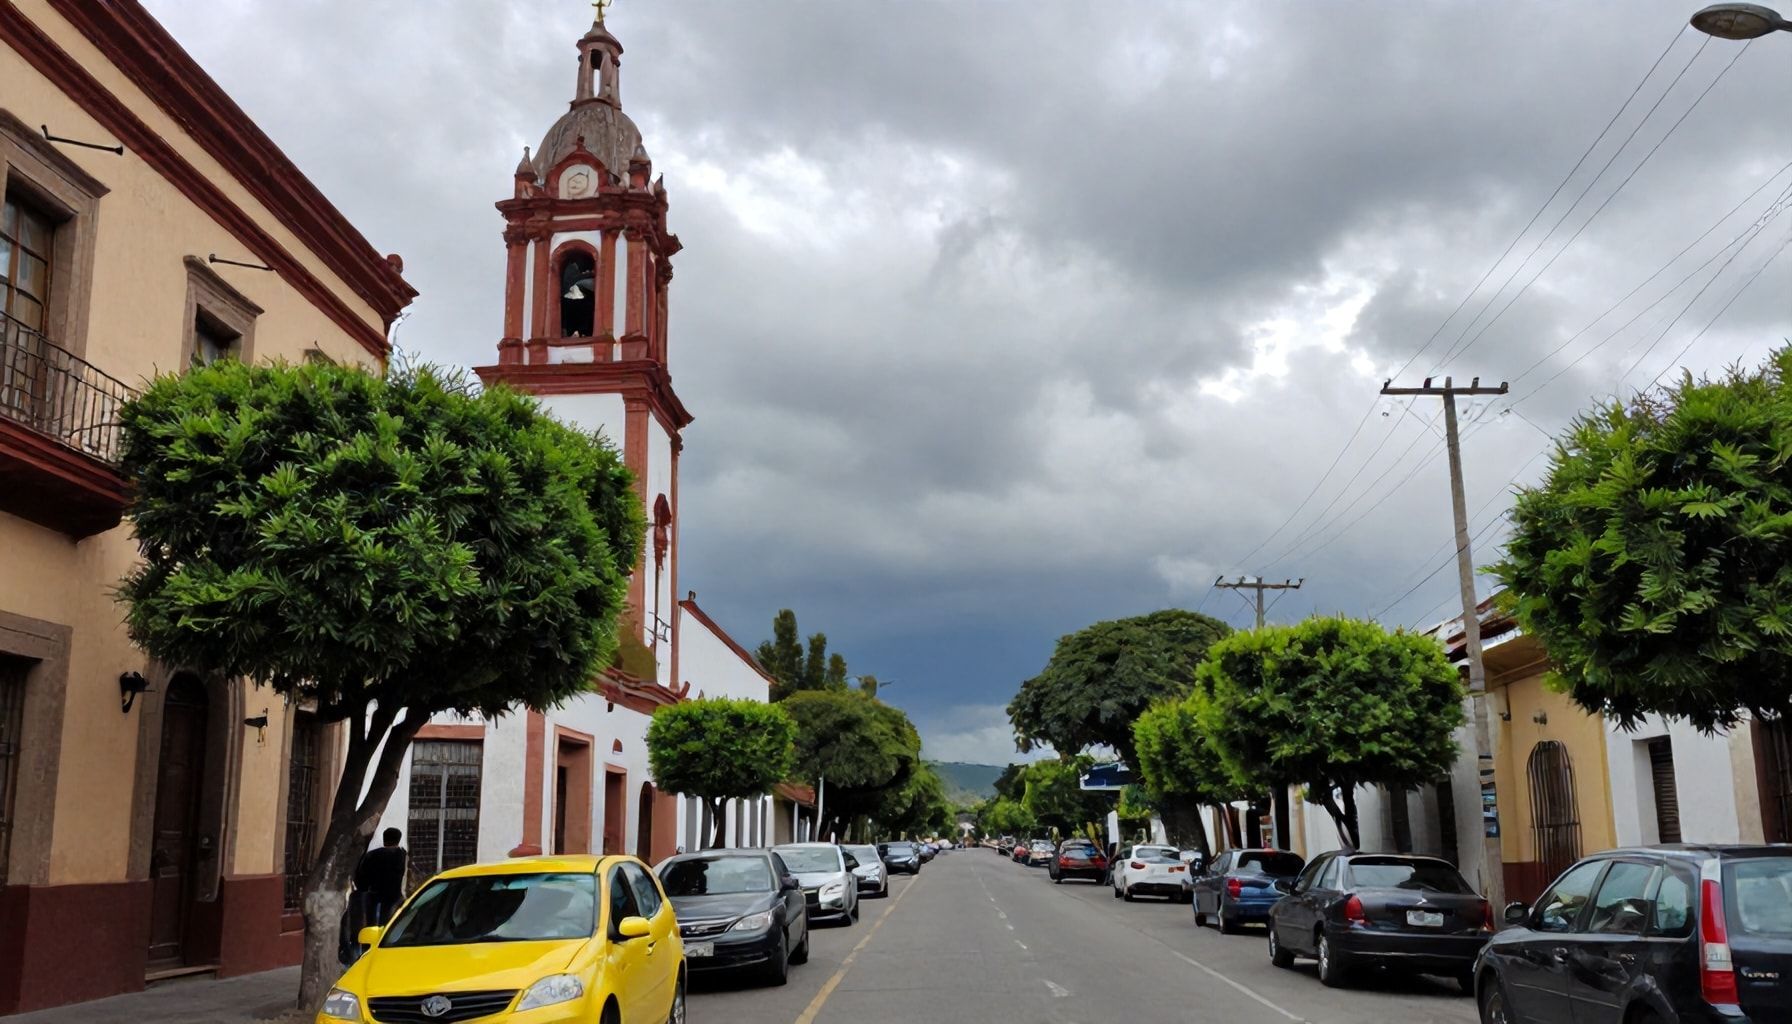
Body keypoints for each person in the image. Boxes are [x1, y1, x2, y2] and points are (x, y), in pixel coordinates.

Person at [354, 828, 409, 926]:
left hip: (374, 898)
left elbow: (360, 880)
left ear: (384, 840)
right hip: (395, 898)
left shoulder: (371, 856)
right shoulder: (403, 856)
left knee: (372, 927)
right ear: (398, 840)